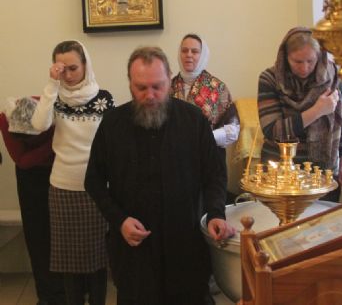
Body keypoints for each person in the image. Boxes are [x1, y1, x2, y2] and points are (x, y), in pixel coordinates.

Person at [85, 46, 235, 305]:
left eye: (158, 86)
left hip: (185, 247)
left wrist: (215, 214)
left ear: (169, 79)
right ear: (130, 84)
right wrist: (119, 220)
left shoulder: (193, 120)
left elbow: (215, 175)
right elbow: (94, 181)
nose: (150, 95)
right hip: (134, 252)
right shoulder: (112, 124)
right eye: (141, 88)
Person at [31, 40, 115, 305]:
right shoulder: (54, 98)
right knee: (68, 262)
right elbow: (39, 124)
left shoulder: (103, 98)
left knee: (97, 259)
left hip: (96, 189)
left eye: (73, 68)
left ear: (85, 65)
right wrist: (51, 85)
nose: (67, 75)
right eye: (61, 69)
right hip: (63, 188)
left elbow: (112, 143)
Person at [257, 27, 342, 202]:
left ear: (320, 55)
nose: (304, 68)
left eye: (310, 61)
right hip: (280, 174)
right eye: (297, 61)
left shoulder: (336, 78)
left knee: (323, 220)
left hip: (323, 174)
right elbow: (272, 130)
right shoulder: (270, 78)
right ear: (285, 57)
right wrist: (317, 111)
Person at [0, 97, 66, 305]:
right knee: (37, 235)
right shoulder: (5, 119)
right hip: (30, 176)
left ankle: (69, 290)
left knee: (64, 234)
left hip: (61, 170)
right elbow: (23, 161)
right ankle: (47, 295)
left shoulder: (57, 113)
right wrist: (54, 142)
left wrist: (56, 139)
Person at [171, 34, 240, 201]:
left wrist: (205, 138)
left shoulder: (218, 88)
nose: (189, 55)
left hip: (209, 161)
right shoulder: (168, 86)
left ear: (203, 55)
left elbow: (233, 130)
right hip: (176, 163)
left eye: (194, 51)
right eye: (184, 50)